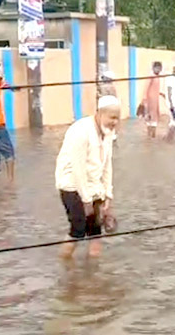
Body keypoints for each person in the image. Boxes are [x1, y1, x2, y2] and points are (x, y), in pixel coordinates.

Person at [56, 95, 120, 258]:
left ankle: (92, 276)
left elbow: (107, 166)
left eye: (117, 118)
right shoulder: (80, 131)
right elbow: (78, 169)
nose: (115, 122)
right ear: (99, 113)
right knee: (77, 230)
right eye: (112, 117)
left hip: (93, 186)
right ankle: (65, 266)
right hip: (71, 185)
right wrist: (86, 201)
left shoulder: (109, 133)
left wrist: (108, 195)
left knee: (96, 232)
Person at [141, 61, 163, 138]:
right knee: (150, 118)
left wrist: (161, 93)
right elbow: (146, 89)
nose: (159, 70)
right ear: (154, 68)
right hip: (150, 101)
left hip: (155, 100)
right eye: (158, 68)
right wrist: (144, 101)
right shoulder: (151, 76)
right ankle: (150, 136)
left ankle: (151, 137)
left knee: (154, 117)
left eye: (160, 68)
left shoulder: (157, 76)